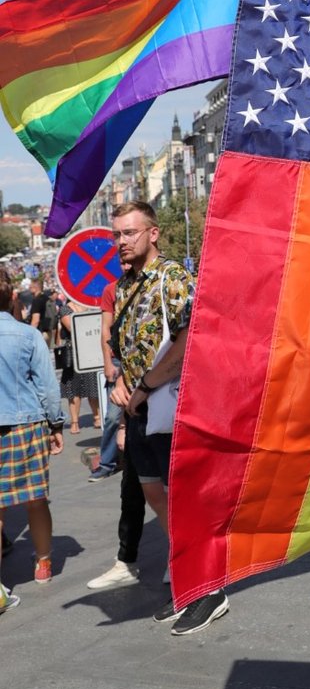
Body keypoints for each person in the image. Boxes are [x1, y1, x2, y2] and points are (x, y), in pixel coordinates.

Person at [87, 201, 225, 636]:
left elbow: (191, 336)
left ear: (152, 234)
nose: (121, 242)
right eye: (116, 235)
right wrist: (120, 387)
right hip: (140, 409)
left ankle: (210, 590)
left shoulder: (173, 278)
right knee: (153, 493)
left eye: (129, 233)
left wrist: (146, 383)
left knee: (184, 498)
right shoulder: (124, 286)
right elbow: (121, 345)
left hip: (173, 406)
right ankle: (189, 581)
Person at [0, 269, 65, 602]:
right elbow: (47, 387)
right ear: (13, 298)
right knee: (36, 499)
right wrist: (56, 425)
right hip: (25, 426)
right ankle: (43, 563)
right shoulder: (27, 336)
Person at [88, 277, 123, 481]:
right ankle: (107, 462)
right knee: (112, 416)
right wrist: (107, 361)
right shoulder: (112, 290)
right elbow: (105, 328)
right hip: (117, 361)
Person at [58, 301, 101, 435]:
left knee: (92, 385)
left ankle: (97, 417)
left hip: (90, 350)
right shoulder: (65, 309)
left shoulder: (93, 305)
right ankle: (74, 422)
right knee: (73, 389)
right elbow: (73, 328)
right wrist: (84, 316)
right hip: (73, 353)